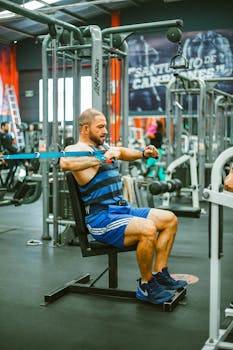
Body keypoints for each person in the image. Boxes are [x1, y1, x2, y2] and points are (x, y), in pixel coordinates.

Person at [60, 108, 187, 305]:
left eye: (105, 127)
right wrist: (102, 157)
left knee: (169, 219)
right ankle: (146, 286)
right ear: (85, 129)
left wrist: (143, 153)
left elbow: (122, 152)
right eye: (100, 127)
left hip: (122, 210)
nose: (105, 131)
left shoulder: (104, 147)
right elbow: (65, 163)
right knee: (148, 229)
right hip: (102, 217)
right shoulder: (76, 149)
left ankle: (160, 273)